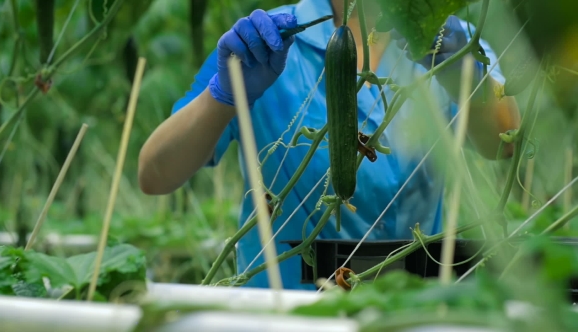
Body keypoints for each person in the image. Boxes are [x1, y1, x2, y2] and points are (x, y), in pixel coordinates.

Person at [138, 0, 520, 290]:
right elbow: (154, 174)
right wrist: (222, 95)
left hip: (412, 305)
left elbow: (506, 143)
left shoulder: (446, 36)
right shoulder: (265, 39)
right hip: (281, 311)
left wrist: (468, 76)